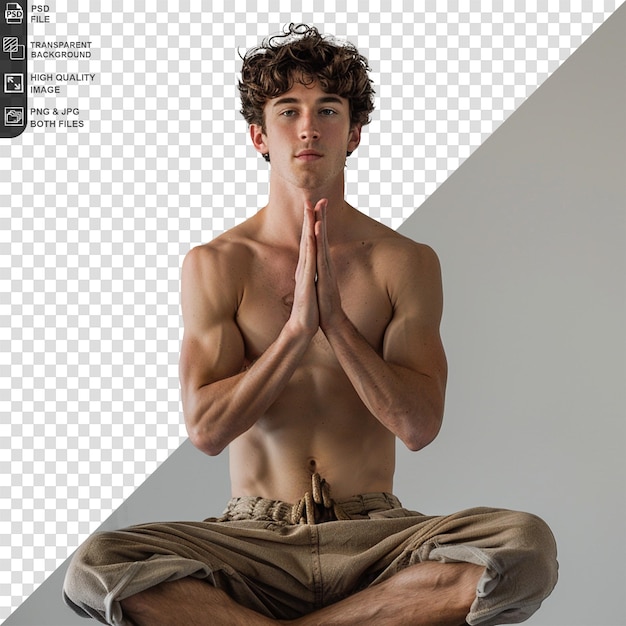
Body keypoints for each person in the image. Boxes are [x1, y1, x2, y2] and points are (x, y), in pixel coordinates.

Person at [63, 24, 558, 626]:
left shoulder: (404, 262)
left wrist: (339, 328)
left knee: (525, 549)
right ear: (258, 135)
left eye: (327, 109)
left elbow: (419, 425)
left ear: (353, 134)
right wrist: (297, 331)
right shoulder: (217, 264)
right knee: (97, 566)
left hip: (378, 537)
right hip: (252, 541)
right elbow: (207, 430)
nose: (308, 127)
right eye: (288, 110)